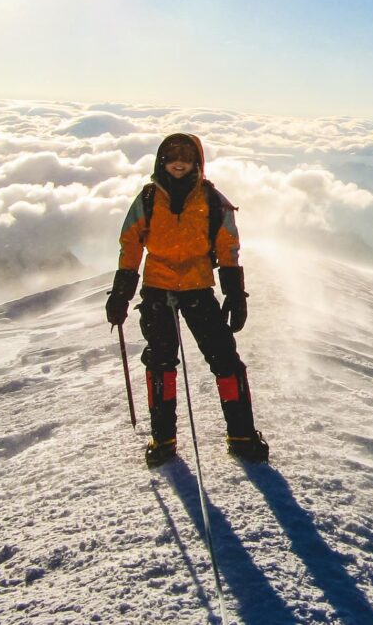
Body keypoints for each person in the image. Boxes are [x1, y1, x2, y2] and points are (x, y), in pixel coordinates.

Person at [105, 133, 269, 466]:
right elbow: (131, 244)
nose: (178, 162)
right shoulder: (150, 198)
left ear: (197, 162)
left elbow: (227, 247)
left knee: (224, 360)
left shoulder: (211, 200)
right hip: (158, 290)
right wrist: (121, 291)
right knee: (161, 364)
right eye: (171, 156)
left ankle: (239, 435)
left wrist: (235, 294)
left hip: (196, 288)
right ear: (161, 161)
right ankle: (164, 440)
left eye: (186, 156)